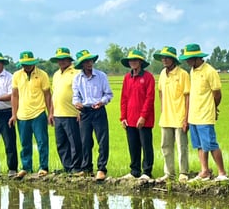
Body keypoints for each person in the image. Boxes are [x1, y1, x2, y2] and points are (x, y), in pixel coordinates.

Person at [179, 44, 228, 181]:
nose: (187, 61)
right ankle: (204, 171)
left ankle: (222, 172)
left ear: (197, 58)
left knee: (211, 144)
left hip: (205, 115)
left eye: (190, 58)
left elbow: (217, 94)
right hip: (193, 115)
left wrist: (213, 107)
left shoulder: (209, 71)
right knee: (199, 145)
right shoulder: (192, 71)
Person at [9, 51, 53, 179]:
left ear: (34, 63)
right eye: (24, 64)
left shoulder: (42, 74)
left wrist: (50, 112)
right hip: (22, 115)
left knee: (42, 142)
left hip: (38, 113)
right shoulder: (17, 75)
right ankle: (26, 167)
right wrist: (14, 114)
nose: (27, 66)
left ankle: (43, 167)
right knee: (25, 143)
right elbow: (15, 95)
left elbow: (47, 95)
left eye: (29, 64)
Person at [72, 49, 113, 181]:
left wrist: (102, 102)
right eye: (85, 62)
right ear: (82, 64)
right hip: (85, 111)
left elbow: (108, 94)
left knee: (102, 140)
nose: (89, 63)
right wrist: (77, 103)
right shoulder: (77, 79)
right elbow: (75, 96)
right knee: (85, 141)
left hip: (98, 110)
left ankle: (101, 169)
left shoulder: (101, 76)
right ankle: (86, 168)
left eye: (90, 61)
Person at [155, 46, 190, 182]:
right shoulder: (163, 74)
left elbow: (187, 97)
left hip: (180, 116)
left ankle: (183, 172)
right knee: (166, 146)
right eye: (163, 58)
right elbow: (160, 92)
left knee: (182, 146)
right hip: (166, 118)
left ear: (173, 59)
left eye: (167, 57)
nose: (164, 60)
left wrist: (186, 118)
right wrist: (163, 109)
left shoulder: (183, 74)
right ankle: (169, 173)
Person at [119, 49, 155, 180]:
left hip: (144, 119)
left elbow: (149, 98)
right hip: (130, 118)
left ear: (140, 62)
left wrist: (143, 116)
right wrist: (123, 117)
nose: (132, 62)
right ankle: (134, 171)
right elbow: (124, 98)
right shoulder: (127, 78)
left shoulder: (148, 77)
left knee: (146, 145)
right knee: (133, 145)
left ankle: (147, 171)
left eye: (135, 60)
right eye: (130, 60)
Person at [50, 47, 83, 174]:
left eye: (64, 59)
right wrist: (51, 113)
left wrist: (79, 112)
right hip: (58, 114)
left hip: (71, 113)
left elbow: (81, 94)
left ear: (69, 59)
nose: (62, 61)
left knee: (74, 142)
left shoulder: (76, 73)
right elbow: (54, 95)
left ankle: (76, 167)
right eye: (59, 59)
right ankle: (67, 167)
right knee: (61, 143)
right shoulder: (56, 74)